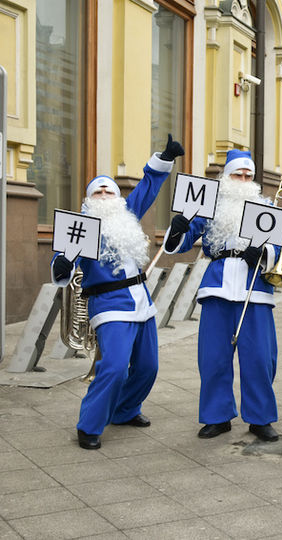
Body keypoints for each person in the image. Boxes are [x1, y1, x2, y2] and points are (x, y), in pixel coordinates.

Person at [51, 135, 184, 449]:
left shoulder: (127, 214)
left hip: (141, 301)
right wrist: (64, 261)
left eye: (108, 190)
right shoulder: (81, 226)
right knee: (112, 367)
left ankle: (125, 410)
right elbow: (61, 262)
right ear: (89, 200)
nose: (104, 195)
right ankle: (89, 425)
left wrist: (165, 158)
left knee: (148, 367)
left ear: (117, 197)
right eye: (97, 191)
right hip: (109, 303)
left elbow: (148, 186)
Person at [164, 149, 282, 443]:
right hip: (216, 286)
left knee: (259, 358)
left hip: (254, 288)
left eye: (248, 176)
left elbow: (281, 247)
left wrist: (265, 252)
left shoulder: (266, 206)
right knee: (213, 357)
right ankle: (217, 416)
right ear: (225, 176)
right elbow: (179, 244)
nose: (242, 180)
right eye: (237, 174)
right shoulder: (209, 205)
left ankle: (260, 418)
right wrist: (177, 228)